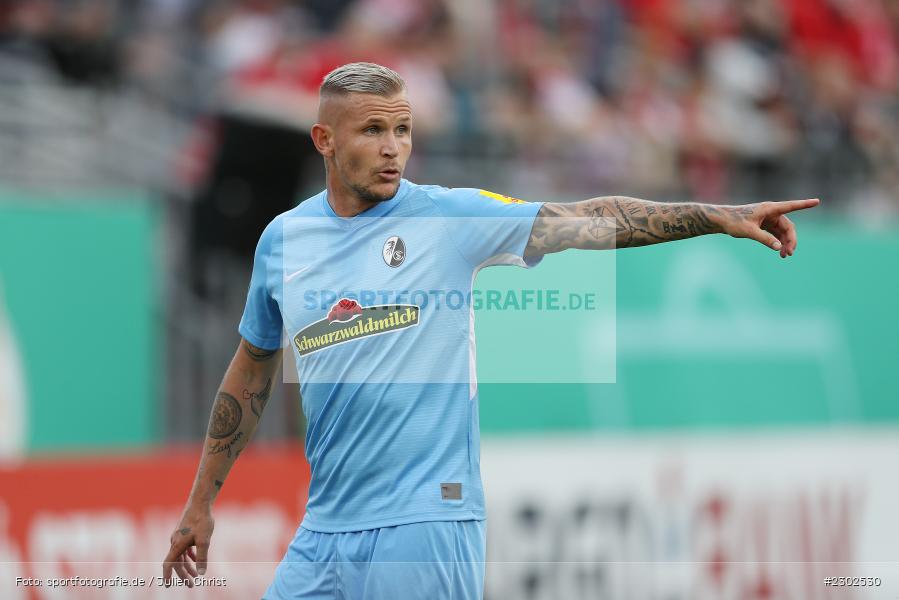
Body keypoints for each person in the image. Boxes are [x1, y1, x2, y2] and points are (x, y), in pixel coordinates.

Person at [162, 62, 819, 598]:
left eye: (402, 129)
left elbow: (587, 218)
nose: (392, 147)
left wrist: (714, 214)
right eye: (372, 130)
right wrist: (200, 501)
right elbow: (252, 366)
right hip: (324, 528)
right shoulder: (285, 240)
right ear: (324, 140)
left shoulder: (448, 219)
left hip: (425, 524)